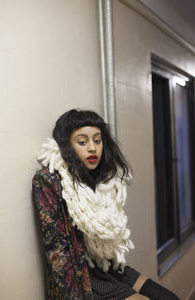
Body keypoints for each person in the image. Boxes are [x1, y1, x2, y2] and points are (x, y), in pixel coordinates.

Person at [32, 109, 180, 300]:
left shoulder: (98, 178)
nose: (92, 148)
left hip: (106, 267)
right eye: (82, 142)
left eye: (97, 140)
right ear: (66, 144)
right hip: (82, 277)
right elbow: (57, 255)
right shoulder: (49, 180)